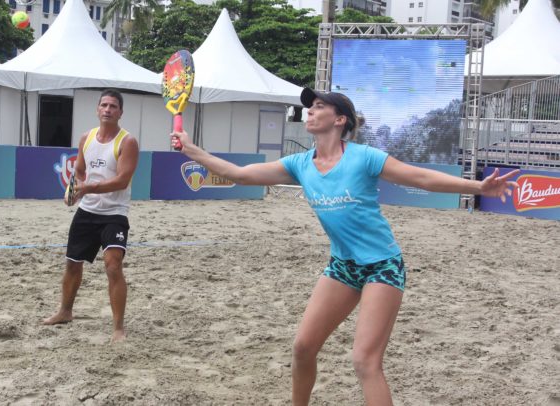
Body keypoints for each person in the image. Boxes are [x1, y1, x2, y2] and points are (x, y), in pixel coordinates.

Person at [170, 87, 518, 405]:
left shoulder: (364, 157)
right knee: (303, 348)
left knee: (365, 362)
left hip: (382, 266)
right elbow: (241, 174)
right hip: (342, 267)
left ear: (340, 120)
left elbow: (422, 177)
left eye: (319, 106)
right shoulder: (299, 164)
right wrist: (191, 149)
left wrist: (477, 187)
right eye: (309, 107)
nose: (310, 111)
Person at [42, 89, 140, 344]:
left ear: (120, 112)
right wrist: (72, 190)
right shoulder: (86, 137)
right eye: (104, 105)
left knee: (113, 266)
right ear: (97, 109)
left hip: (114, 213)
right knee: (73, 263)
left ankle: (118, 328)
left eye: (113, 106)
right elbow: (79, 171)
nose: (108, 109)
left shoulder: (127, 141)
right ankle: (65, 312)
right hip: (87, 210)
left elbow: (122, 180)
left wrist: (87, 188)